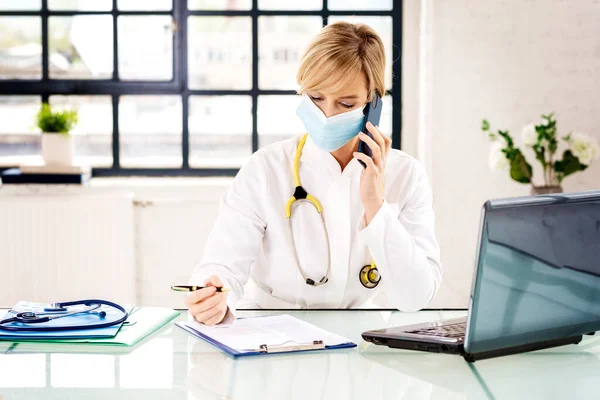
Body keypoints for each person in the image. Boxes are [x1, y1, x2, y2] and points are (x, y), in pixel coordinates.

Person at [186, 22, 442, 325]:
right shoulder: (266, 169)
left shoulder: (406, 175)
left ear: (373, 104)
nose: (327, 114)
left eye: (346, 103)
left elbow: (415, 297)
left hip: (358, 340)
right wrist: (214, 297)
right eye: (316, 98)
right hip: (270, 335)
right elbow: (222, 264)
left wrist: (375, 205)